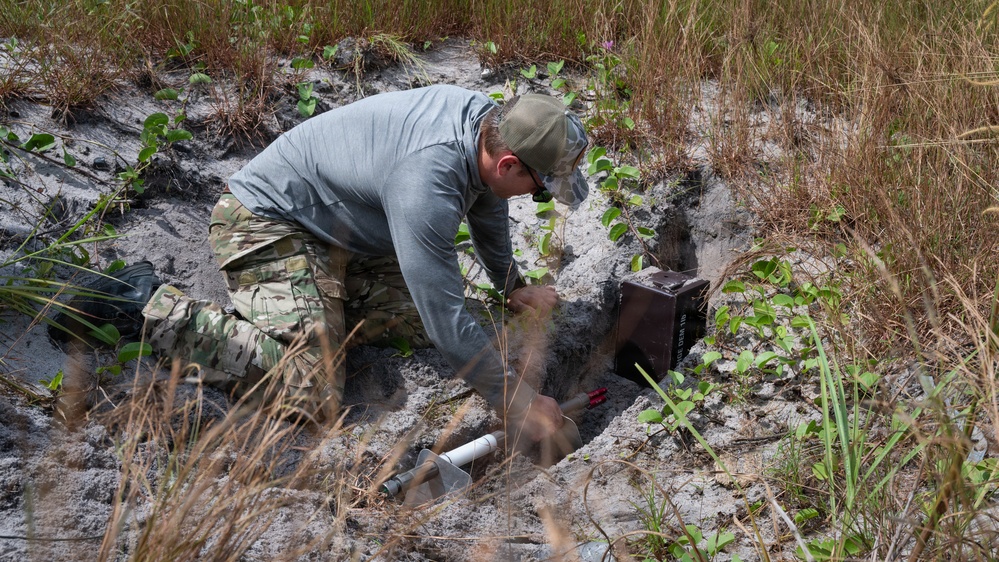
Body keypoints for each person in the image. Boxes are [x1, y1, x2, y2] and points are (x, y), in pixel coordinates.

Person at [77, 86, 589, 440]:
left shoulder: (485, 121)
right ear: (507, 162)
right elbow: (446, 321)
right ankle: (138, 305)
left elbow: (488, 200)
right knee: (313, 389)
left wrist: (509, 284)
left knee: (415, 322)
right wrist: (518, 403)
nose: (534, 198)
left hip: (340, 233)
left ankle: (303, 310)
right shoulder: (426, 183)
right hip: (267, 222)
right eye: (539, 191)